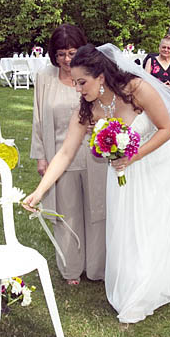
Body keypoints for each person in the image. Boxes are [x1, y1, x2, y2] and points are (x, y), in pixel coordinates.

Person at [22, 43, 170, 324]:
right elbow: (65, 152)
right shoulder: (87, 109)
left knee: (153, 224)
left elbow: (167, 129)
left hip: (156, 163)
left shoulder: (137, 89)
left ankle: (156, 280)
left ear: (101, 77)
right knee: (128, 227)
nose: (78, 89)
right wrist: (39, 192)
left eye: (82, 82)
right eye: (75, 83)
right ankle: (135, 282)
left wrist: (133, 155)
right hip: (121, 174)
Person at [30, 24, 107, 286]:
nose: (66, 59)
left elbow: (109, 107)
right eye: (61, 54)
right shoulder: (44, 77)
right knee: (67, 212)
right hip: (59, 155)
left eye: (72, 52)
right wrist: (41, 155)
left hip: (94, 154)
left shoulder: (93, 73)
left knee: (97, 209)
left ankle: (97, 267)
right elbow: (38, 118)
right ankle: (71, 267)